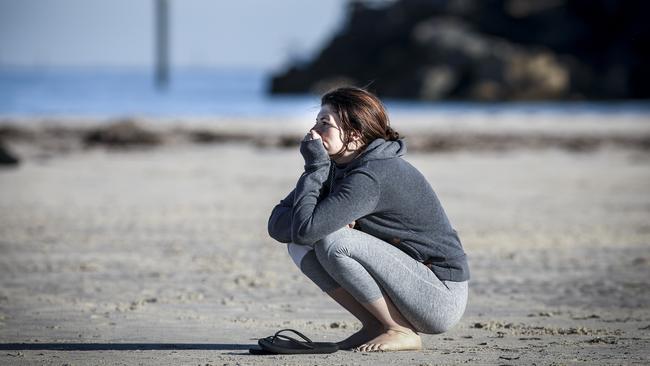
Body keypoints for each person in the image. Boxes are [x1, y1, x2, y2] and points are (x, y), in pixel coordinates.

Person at [267, 87, 469, 352]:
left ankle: (398, 330)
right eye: (316, 121)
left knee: (332, 240)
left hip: (440, 295)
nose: (313, 131)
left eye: (324, 123)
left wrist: (314, 168)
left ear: (355, 134)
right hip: (406, 282)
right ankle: (375, 325)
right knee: (299, 246)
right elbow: (278, 224)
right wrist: (320, 180)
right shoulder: (336, 168)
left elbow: (306, 229)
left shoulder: (372, 174)